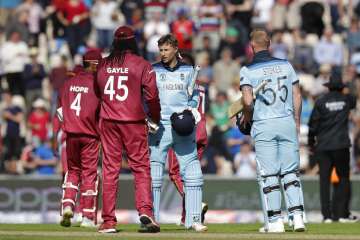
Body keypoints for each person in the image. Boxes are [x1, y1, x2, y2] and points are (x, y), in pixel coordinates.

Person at [95, 26, 161, 233]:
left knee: (110, 170)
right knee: (141, 168)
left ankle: (108, 221)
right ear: (134, 42)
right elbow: (151, 96)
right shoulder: (142, 64)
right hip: (133, 121)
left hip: (109, 121)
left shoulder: (103, 65)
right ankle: (145, 211)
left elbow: (99, 94)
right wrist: (155, 118)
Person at [239, 29, 305, 233]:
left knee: (269, 174)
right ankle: (298, 218)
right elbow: (297, 95)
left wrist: (246, 118)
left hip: (264, 123)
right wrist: (296, 121)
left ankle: (275, 221)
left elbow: (248, 102)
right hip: (286, 121)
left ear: (252, 46)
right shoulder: (286, 64)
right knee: (290, 171)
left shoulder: (247, 70)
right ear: (269, 44)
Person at [150, 34, 207, 232]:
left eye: (166, 50)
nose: (163, 54)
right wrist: (149, 117)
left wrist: (190, 110)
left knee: (193, 172)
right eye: (161, 50)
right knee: (154, 173)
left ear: (175, 48)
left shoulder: (189, 70)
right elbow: (147, 97)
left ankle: (194, 220)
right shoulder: (153, 70)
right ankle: (152, 219)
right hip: (160, 127)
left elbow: (193, 97)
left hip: (183, 127)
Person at [58, 50, 102, 228]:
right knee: (90, 174)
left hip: (71, 135)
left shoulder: (68, 83)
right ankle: (87, 217)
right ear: (93, 64)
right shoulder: (97, 84)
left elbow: (60, 113)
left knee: (73, 172)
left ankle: (68, 205)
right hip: (90, 135)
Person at [308, 73, 358, 223]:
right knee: (343, 179)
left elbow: (313, 124)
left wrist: (311, 142)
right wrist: (347, 88)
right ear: (341, 87)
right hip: (341, 145)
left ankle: (327, 216)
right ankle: (342, 214)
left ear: (328, 87)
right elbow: (354, 99)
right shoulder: (346, 99)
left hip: (323, 146)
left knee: (324, 181)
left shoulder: (320, 102)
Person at [166, 52, 208, 226]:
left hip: (184, 132)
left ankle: (195, 203)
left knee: (176, 173)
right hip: (201, 132)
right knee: (190, 176)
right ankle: (187, 218)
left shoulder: (180, 84)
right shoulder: (202, 87)